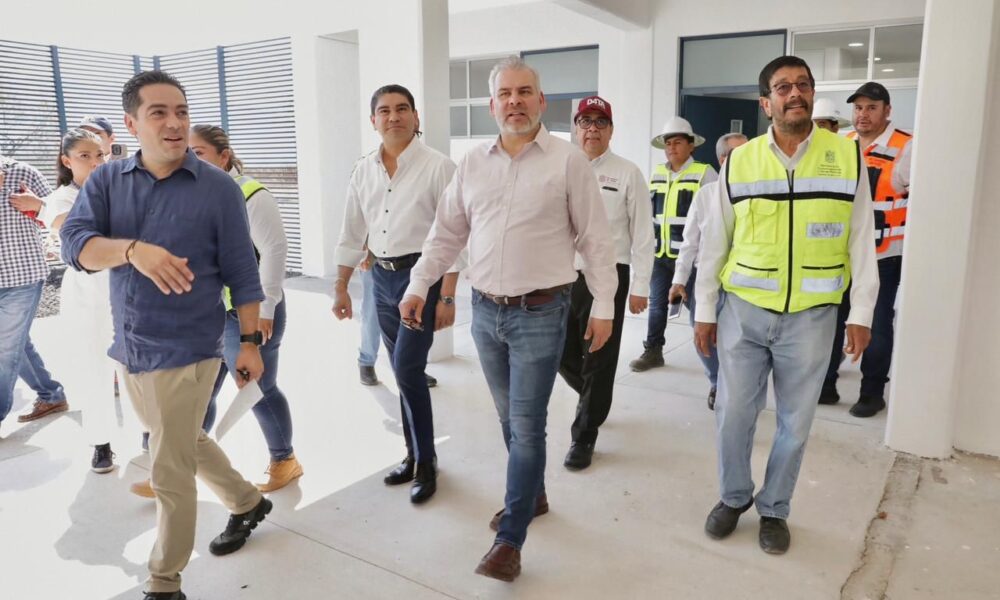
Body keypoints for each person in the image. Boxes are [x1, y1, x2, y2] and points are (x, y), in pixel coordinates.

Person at [400, 56, 617, 582]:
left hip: (542, 312)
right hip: (486, 313)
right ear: (492, 105)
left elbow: (596, 240)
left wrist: (605, 305)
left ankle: (510, 538)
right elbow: (446, 233)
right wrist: (419, 284)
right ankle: (533, 494)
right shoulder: (472, 163)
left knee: (526, 424)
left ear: (541, 102)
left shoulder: (568, 162)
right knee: (508, 418)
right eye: (505, 94)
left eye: (524, 92)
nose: (515, 102)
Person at [60, 70, 272, 600]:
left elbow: (243, 273)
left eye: (181, 111)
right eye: (159, 112)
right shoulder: (107, 181)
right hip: (130, 344)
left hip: (190, 348)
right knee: (183, 439)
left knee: (169, 468)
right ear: (132, 124)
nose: (175, 122)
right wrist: (133, 250)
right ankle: (248, 502)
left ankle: (164, 581)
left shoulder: (219, 189)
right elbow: (77, 245)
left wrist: (249, 341)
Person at [694, 55, 877, 555]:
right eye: (782, 87)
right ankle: (733, 496)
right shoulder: (741, 161)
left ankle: (774, 508)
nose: (794, 93)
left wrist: (861, 312)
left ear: (812, 94)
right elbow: (716, 240)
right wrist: (705, 310)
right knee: (733, 413)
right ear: (766, 102)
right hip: (744, 310)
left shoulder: (847, 156)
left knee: (795, 423)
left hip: (813, 316)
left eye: (803, 84)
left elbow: (862, 238)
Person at [331, 84, 458, 505]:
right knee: (401, 371)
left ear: (416, 117)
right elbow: (352, 229)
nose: (394, 117)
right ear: (373, 121)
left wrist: (448, 295)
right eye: (384, 111)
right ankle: (412, 453)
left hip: (422, 279)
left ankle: (427, 461)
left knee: (407, 369)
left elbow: (455, 234)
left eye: (402, 109)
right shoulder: (363, 169)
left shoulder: (439, 167)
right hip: (380, 280)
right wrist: (341, 286)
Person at [9, 129, 119, 472]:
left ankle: (150, 434)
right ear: (66, 161)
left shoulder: (119, 189)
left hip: (128, 285)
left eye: (100, 154)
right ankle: (101, 443)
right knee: (94, 367)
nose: (95, 162)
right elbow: (77, 229)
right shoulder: (61, 198)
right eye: (85, 156)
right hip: (88, 290)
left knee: (137, 366)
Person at [557, 95, 653, 471]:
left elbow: (643, 234)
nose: (592, 129)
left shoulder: (628, 173)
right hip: (563, 275)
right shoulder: (561, 168)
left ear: (611, 130)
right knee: (558, 351)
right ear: (576, 129)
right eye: (585, 122)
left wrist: (640, 286)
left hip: (609, 275)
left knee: (599, 355)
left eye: (600, 122)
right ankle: (593, 397)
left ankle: (584, 435)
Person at [819, 82, 912, 418]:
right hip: (841, 254)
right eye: (858, 108)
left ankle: (872, 392)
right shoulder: (842, 145)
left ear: (887, 110)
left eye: (871, 107)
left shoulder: (907, 147)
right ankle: (826, 384)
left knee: (876, 323)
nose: (863, 114)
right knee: (832, 321)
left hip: (883, 256)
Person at [629, 116, 717, 372]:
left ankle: (716, 361)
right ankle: (653, 350)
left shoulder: (705, 173)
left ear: (691, 145)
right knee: (657, 305)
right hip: (660, 255)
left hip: (691, 260)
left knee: (700, 310)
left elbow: (714, 217)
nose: (671, 148)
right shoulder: (657, 173)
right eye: (668, 143)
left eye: (677, 142)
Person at [668, 132, 747, 411]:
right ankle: (717, 381)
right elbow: (689, 242)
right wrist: (679, 280)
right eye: (738, 153)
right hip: (706, 279)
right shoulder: (705, 195)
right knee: (703, 336)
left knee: (740, 341)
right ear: (722, 159)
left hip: (743, 283)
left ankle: (735, 386)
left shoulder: (757, 193)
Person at [1, 152, 62, 434]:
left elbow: (58, 216)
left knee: (5, 348)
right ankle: (52, 394)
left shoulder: (24, 173)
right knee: (16, 344)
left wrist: (37, 205)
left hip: (21, 277)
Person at [358, 250, 438, 389]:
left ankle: (410, 369)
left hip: (405, 254)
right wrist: (363, 250)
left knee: (408, 311)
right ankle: (366, 361)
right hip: (373, 253)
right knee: (371, 311)